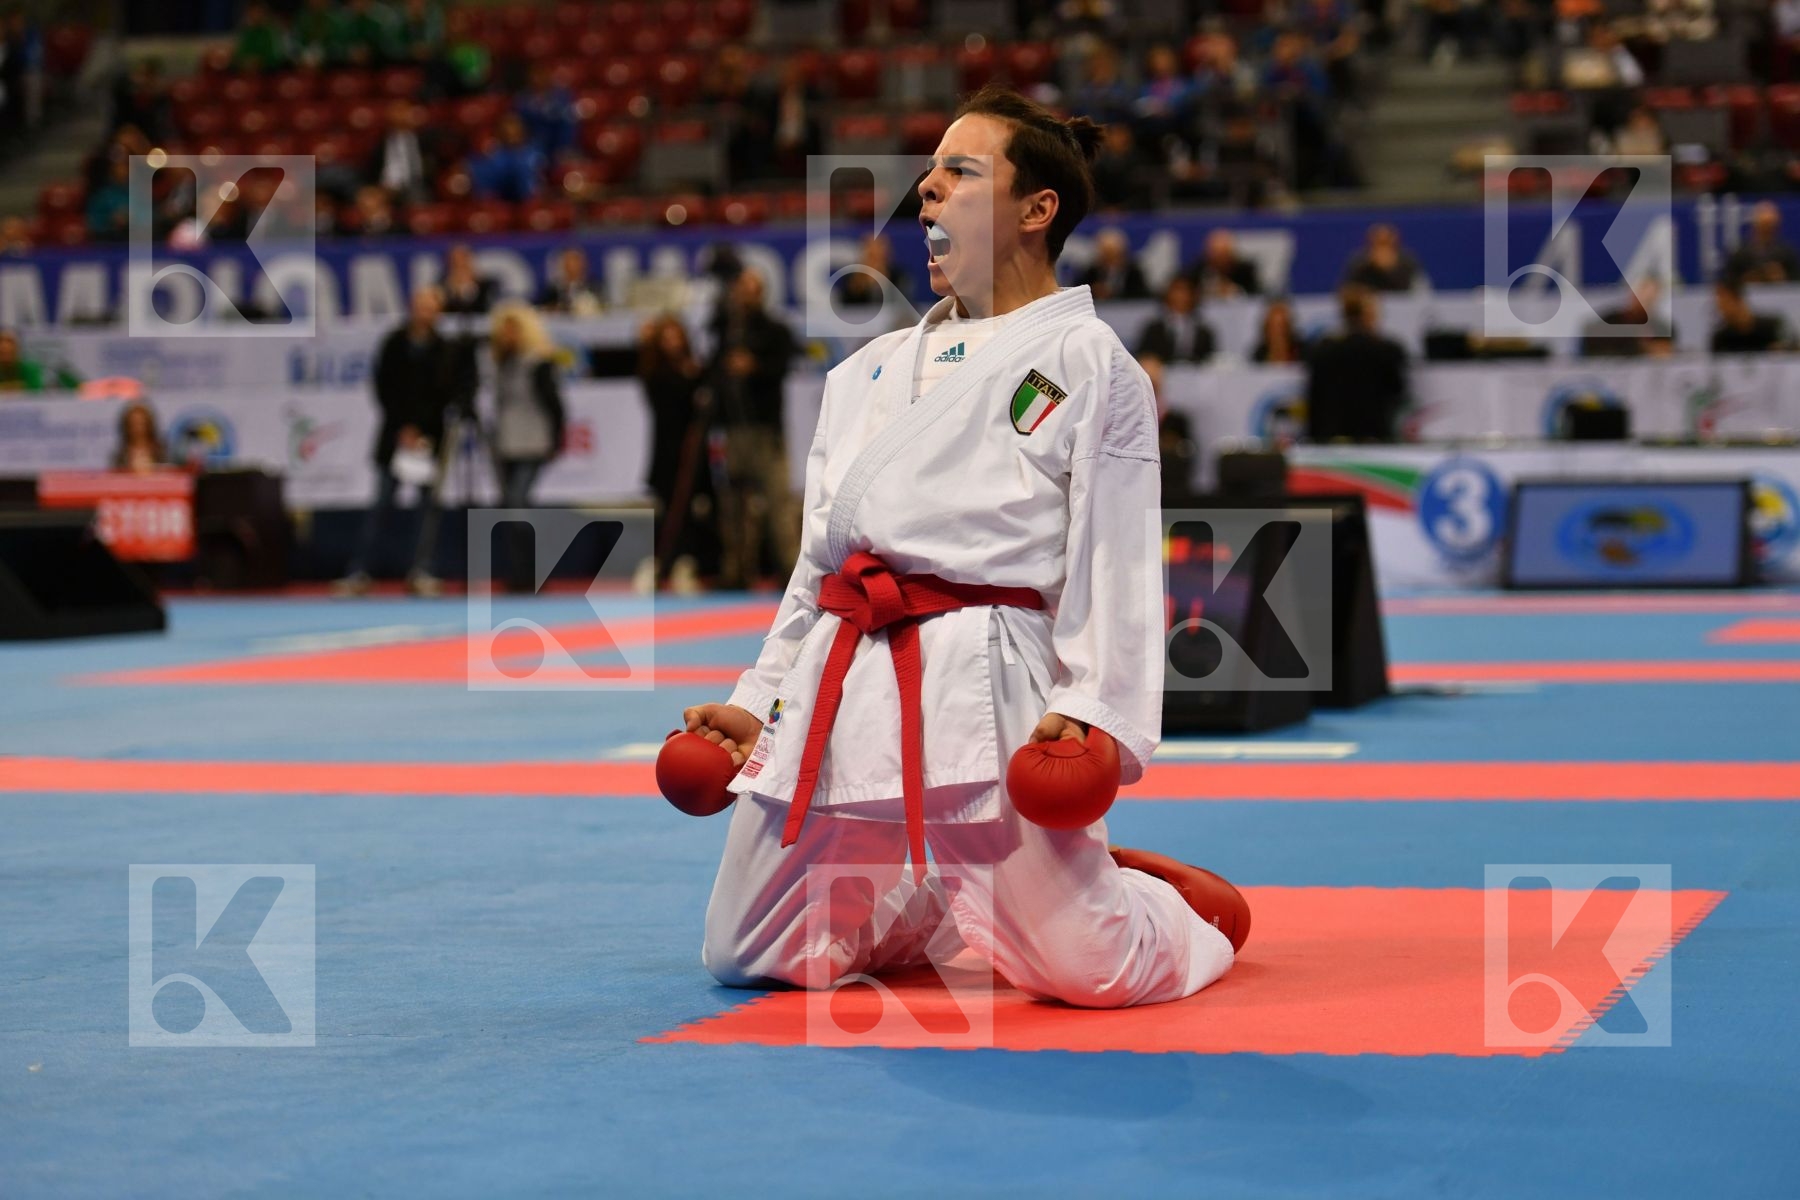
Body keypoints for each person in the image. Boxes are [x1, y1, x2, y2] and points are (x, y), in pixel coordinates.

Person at [685, 85, 1243, 1010]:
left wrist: (1095, 710)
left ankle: (1173, 911)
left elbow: (1116, 555)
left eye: (959, 172)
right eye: (929, 176)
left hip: (988, 675)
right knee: (751, 951)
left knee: (1092, 973)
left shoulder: (1088, 361)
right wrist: (759, 703)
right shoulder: (863, 372)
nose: (927, 193)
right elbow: (818, 570)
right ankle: (935, 907)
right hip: (841, 670)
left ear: (1036, 209)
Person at [336, 286, 470, 597]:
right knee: (381, 505)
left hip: (429, 441)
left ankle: (421, 571)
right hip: (395, 438)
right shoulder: (394, 343)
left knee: (428, 511)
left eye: (431, 306)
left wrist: (422, 431)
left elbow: (445, 394)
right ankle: (360, 571)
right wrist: (404, 428)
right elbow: (385, 388)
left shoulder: (446, 349)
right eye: (420, 305)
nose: (425, 311)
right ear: (412, 307)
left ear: (438, 311)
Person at [708, 269, 798, 588]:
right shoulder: (725, 332)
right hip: (732, 431)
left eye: (752, 290)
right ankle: (736, 570)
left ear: (761, 293)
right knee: (732, 505)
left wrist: (754, 366)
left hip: (765, 430)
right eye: (741, 290)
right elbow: (713, 374)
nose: (745, 296)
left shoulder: (775, 330)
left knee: (778, 505)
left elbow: (782, 367)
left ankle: (789, 571)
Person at [485, 302, 566, 592]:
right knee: (512, 508)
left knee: (517, 503)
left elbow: (555, 404)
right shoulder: (498, 363)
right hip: (506, 443)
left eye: (514, 330)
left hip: (532, 441)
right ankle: (520, 574)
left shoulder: (538, 362)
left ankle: (534, 572)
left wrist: (557, 438)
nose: (509, 336)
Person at [639, 314, 714, 592]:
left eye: (675, 336)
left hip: (694, 454)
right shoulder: (655, 374)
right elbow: (670, 397)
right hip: (667, 455)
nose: (672, 343)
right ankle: (661, 567)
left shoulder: (698, 370)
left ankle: (689, 565)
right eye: (665, 337)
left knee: (695, 512)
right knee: (669, 512)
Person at [1305, 284, 1407, 442]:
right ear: (1367, 314)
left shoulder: (1322, 351)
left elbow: (1313, 399)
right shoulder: (1385, 351)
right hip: (1374, 438)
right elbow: (1397, 390)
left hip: (1331, 440)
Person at [1134, 276, 1216, 363]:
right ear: (1167, 294)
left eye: (1185, 291)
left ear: (1193, 296)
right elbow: (1143, 357)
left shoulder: (1204, 332)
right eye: (1176, 290)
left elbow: (1211, 361)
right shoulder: (1153, 329)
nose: (1180, 296)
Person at [1724, 202, 1800, 284]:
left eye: (1770, 227)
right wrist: (1749, 278)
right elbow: (1728, 282)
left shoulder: (1787, 253)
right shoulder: (1740, 253)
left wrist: (1783, 278)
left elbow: (1796, 281)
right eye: (1763, 227)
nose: (1766, 231)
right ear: (1755, 226)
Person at [1711, 279, 1791, 354]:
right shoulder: (1721, 338)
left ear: (1738, 299)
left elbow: (1794, 348)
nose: (1720, 308)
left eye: (1724, 302)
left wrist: (1784, 350)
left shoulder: (1772, 327)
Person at [1342, 224, 1426, 292]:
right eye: (1379, 241)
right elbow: (1348, 290)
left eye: (1386, 241)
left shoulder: (1408, 261)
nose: (1382, 247)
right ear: (1370, 240)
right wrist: (1370, 266)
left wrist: (1393, 269)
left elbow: (1421, 290)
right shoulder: (1358, 261)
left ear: (1395, 241)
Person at [1185, 228, 1261, 298]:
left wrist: (1236, 291)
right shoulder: (1197, 272)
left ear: (1232, 254)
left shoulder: (1245, 272)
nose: (1220, 260)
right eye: (1216, 254)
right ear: (1208, 255)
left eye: (1224, 254)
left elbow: (1256, 294)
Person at [1077, 228, 1150, 300]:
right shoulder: (1092, 272)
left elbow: (1142, 296)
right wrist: (1092, 291)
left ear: (1122, 253)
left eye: (1113, 255)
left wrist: (1114, 294)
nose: (1110, 260)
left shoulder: (1133, 273)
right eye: (1106, 255)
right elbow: (1078, 292)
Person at [536, 246, 603, 315]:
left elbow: (604, 307)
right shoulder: (553, 290)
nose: (572, 265)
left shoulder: (594, 287)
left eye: (576, 261)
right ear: (562, 264)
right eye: (568, 261)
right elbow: (541, 309)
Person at [439, 243, 495, 315]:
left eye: (463, 258)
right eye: (455, 260)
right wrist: (453, 292)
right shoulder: (442, 287)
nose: (460, 263)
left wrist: (473, 287)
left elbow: (487, 307)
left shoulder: (485, 285)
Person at [111, 402, 167, 471]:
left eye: (141, 423)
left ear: (149, 424)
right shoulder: (120, 456)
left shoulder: (162, 452)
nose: (138, 428)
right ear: (126, 426)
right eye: (133, 424)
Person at [1252, 297, 1305, 363]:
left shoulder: (1303, 353)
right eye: (1273, 327)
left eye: (1282, 326)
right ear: (1266, 328)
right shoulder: (1258, 356)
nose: (1278, 332)